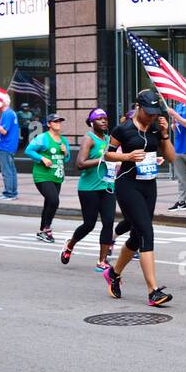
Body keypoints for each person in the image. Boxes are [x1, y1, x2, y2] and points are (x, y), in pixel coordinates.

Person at [102, 89, 176, 306]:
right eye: (149, 112)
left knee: (136, 236)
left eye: (155, 112)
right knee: (146, 232)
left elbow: (171, 158)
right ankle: (153, 291)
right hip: (127, 184)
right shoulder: (123, 128)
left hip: (149, 186)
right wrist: (127, 156)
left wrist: (164, 135)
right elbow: (108, 153)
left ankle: (113, 274)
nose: (152, 116)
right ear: (138, 107)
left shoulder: (155, 128)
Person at [61, 109, 116, 272]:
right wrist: (103, 159)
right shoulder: (88, 139)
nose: (104, 121)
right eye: (99, 119)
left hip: (107, 186)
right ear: (92, 122)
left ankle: (102, 261)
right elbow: (80, 163)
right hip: (89, 188)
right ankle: (70, 245)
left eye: (105, 118)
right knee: (89, 224)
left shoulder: (108, 139)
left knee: (108, 223)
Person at [25, 113, 69, 241]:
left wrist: (65, 151)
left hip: (57, 176)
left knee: (49, 203)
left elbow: (67, 159)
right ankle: (47, 229)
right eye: (55, 122)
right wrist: (42, 158)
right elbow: (29, 150)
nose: (58, 124)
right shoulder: (42, 138)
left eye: (60, 121)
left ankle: (41, 231)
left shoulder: (63, 140)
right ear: (49, 124)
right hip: (42, 175)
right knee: (54, 201)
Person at [0, 101, 20, 201]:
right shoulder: (11, 113)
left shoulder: (7, 114)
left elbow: (4, 130)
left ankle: (10, 193)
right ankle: (11, 192)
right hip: (9, 145)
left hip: (6, 146)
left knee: (7, 171)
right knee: (11, 170)